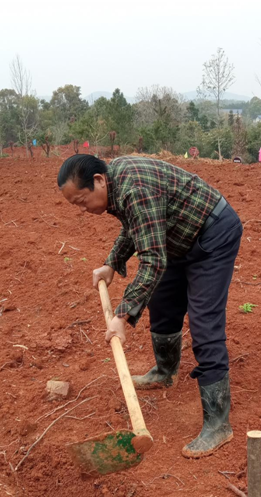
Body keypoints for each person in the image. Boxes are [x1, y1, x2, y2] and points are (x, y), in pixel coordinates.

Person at [57, 154, 243, 459]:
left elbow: (153, 259)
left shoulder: (135, 188)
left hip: (213, 234)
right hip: (177, 237)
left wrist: (122, 314)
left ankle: (219, 424)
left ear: (99, 181)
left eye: (81, 200)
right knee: (163, 300)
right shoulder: (117, 186)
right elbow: (135, 226)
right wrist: (111, 264)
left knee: (204, 322)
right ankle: (165, 371)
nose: (82, 209)